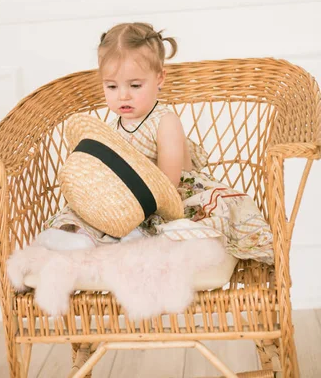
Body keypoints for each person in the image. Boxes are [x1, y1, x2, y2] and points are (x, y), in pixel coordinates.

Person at [39, 22, 274, 266]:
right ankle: (81, 238)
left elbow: (168, 183)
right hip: (127, 195)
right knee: (84, 209)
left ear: (159, 78)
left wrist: (132, 203)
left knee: (175, 226)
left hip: (166, 197)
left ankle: (132, 238)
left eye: (135, 85)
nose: (123, 95)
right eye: (111, 86)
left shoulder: (164, 122)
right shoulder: (114, 124)